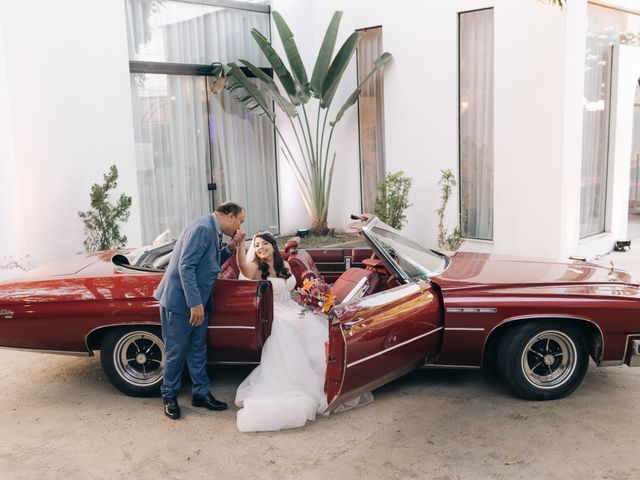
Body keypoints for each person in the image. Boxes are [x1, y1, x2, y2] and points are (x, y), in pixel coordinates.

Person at [154, 201, 246, 420]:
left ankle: (200, 394)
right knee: (176, 351)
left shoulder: (211, 228)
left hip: (199, 302)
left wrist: (231, 248)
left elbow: (210, 263)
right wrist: (195, 304)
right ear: (230, 216)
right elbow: (186, 267)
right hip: (181, 303)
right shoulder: (202, 229)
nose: (240, 228)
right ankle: (169, 395)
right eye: (240, 221)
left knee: (197, 348)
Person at [233, 231, 331, 432]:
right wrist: (241, 245)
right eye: (257, 245)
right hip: (275, 311)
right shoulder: (256, 268)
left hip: (291, 305)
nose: (260, 248)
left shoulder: (284, 264)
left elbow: (291, 290)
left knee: (313, 322)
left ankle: (323, 372)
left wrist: (309, 299)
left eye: (264, 244)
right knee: (294, 326)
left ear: (272, 245)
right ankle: (304, 379)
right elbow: (243, 266)